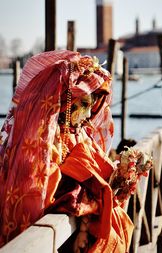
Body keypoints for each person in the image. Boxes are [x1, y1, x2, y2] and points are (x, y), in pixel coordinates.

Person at [0, 50, 134, 252]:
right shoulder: (40, 144)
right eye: (84, 105)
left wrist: (121, 176)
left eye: (93, 105)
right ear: (65, 104)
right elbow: (40, 195)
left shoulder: (78, 135)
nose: (89, 114)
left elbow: (98, 171)